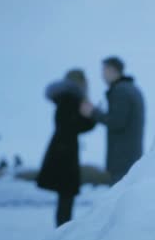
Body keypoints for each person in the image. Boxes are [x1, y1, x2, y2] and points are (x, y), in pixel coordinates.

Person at [37, 69, 96, 227]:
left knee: (65, 198)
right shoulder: (71, 99)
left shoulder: (64, 98)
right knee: (66, 198)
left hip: (61, 151)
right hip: (65, 154)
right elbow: (73, 125)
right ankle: (62, 236)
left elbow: (70, 125)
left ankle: (62, 233)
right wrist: (90, 115)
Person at [80, 56, 145, 184]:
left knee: (120, 197)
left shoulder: (121, 90)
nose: (102, 75)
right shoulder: (130, 88)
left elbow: (116, 122)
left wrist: (92, 112)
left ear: (112, 70)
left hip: (122, 158)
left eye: (104, 70)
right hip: (130, 156)